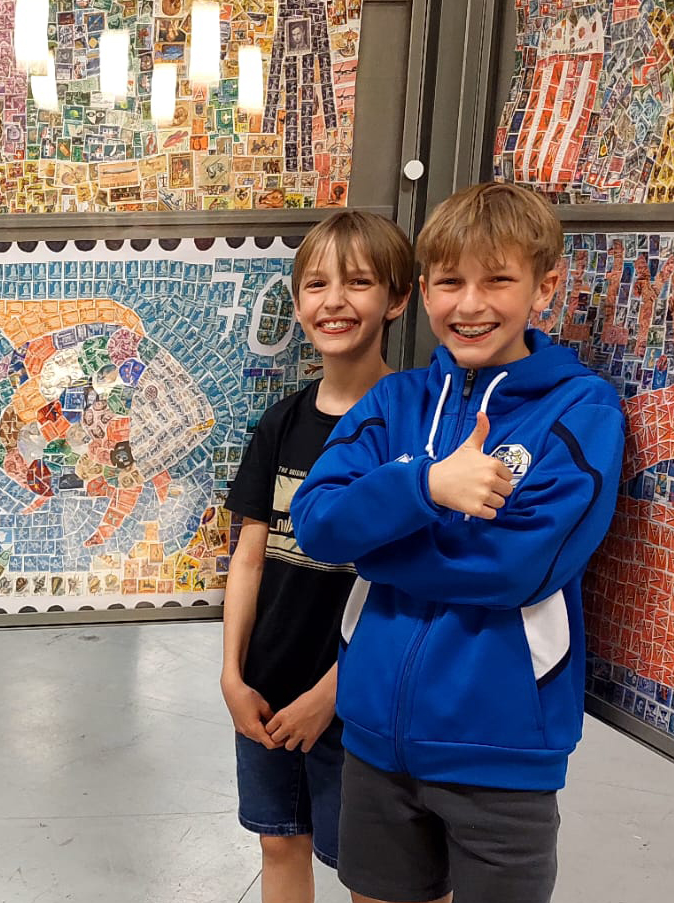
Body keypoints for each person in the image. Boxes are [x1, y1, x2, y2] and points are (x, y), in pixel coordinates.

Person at [290, 181, 625, 903]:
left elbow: (517, 569)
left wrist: (376, 544)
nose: (470, 305)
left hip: (501, 747)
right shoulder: (396, 401)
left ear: (544, 286)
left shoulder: (581, 410)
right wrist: (426, 487)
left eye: (498, 279)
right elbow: (316, 522)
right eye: (449, 282)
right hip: (373, 734)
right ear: (424, 291)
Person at [220, 211, 413, 903]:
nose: (334, 301)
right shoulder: (281, 423)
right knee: (279, 842)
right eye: (317, 284)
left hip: (360, 699)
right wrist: (232, 674)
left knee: (373, 873)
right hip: (268, 687)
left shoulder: (413, 423)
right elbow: (249, 556)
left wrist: (332, 694)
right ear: (298, 303)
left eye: (358, 282)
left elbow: (409, 589)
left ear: (397, 298)